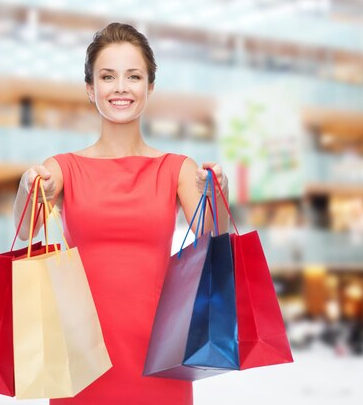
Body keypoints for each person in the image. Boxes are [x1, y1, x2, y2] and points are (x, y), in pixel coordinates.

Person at [12, 22, 230, 405]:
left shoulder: (176, 168)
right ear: (90, 89)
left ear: (150, 87)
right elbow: (25, 230)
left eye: (133, 76)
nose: (120, 88)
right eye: (107, 76)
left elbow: (213, 240)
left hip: (159, 357)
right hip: (83, 360)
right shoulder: (63, 167)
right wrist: (28, 186)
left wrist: (219, 195)